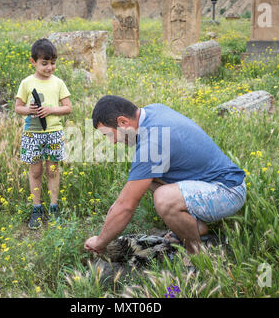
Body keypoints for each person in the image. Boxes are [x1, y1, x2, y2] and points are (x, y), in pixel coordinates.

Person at [84, 95, 246, 264]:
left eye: (109, 134)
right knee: (146, 179)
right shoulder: (153, 111)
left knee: (164, 198)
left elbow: (125, 206)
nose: (113, 141)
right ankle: (195, 226)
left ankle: (195, 253)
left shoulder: (153, 143)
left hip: (227, 191)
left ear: (123, 122)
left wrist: (100, 242)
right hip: (212, 182)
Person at [14, 38, 72, 229]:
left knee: (52, 170)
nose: (49, 68)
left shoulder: (59, 83)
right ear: (33, 62)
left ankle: (54, 208)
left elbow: (67, 108)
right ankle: (37, 209)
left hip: (53, 132)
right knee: (35, 171)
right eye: (44, 63)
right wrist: (30, 110)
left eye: (53, 63)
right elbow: (18, 108)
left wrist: (50, 110)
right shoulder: (26, 83)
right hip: (32, 133)